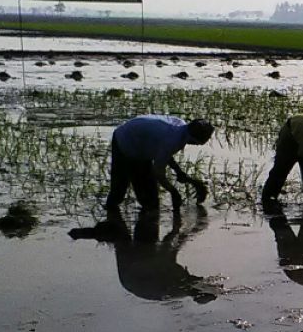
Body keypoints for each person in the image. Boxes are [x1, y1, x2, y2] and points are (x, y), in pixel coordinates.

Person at [68, 207, 219, 303]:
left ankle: (90, 233)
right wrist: (184, 230)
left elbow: (170, 247)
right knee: (132, 234)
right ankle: (91, 233)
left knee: (122, 237)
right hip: (140, 273)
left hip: (135, 274)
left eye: (202, 281)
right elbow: (170, 247)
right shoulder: (180, 285)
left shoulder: (177, 283)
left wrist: (182, 229)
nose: (200, 277)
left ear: (198, 289)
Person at [105, 114, 214, 211]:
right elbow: (158, 172)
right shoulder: (172, 139)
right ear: (195, 139)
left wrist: (179, 172)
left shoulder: (181, 127)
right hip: (125, 141)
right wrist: (173, 191)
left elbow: (164, 153)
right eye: (198, 143)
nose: (197, 146)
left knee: (150, 198)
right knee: (120, 193)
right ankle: (109, 225)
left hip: (141, 141)